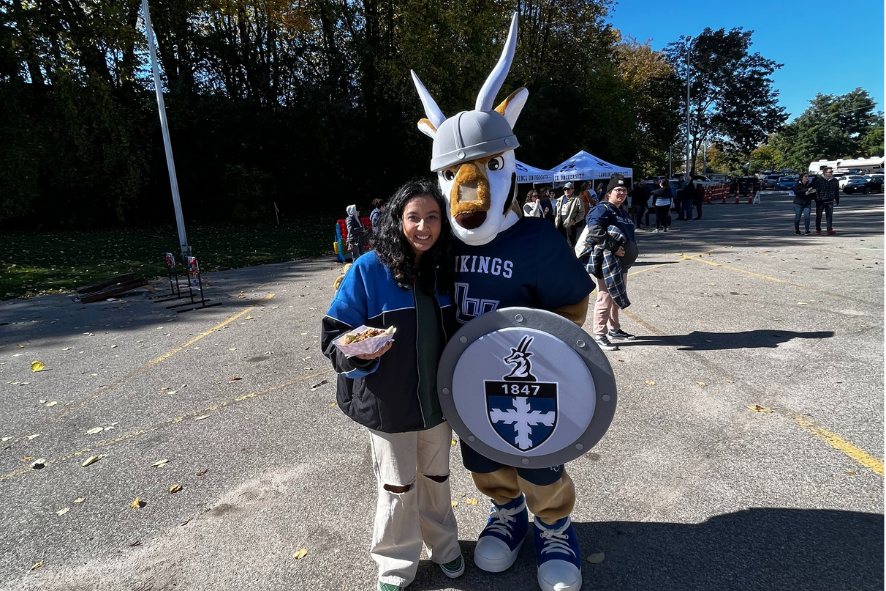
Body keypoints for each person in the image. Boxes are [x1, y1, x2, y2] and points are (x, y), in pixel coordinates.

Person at [322, 180, 463, 591]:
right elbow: (334, 335)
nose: (423, 227)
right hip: (390, 404)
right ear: (398, 222)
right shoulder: (368, 268)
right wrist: (357, 352)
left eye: (432, 217)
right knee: (398, 485)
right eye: (414, 217)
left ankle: (444, 545)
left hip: (438, 403)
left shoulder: (445, 268)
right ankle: (396, 563)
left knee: (437, 477)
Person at [583, 174, 638, 351]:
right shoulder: (603, 209)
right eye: (617, 190)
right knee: (605, 297)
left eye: (624, 190)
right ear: (609, 193)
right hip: (608, 262)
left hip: (622, 265)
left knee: (615, 297)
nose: (621, 193)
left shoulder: (622, 211)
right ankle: (599, 333)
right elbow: (594, 230)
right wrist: (613, 247)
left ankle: (614, 329)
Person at [810, 167, 840, 235]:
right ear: (825, 173)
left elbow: (836, 190)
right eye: (830, 172)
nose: (831, 173)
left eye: (832, 172)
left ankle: (829, 229)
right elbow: (815, 191)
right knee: (819, 216)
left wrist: (837, 198)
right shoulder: (818, 180)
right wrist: (817, 199)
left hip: (830, 200)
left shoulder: (834, 180)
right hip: (821, 201)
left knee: (829, 216)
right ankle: (818, 229)